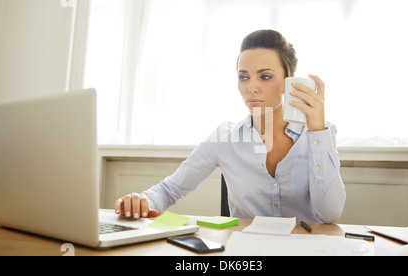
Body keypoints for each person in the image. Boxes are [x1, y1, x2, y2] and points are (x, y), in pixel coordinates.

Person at [115, 29, 346, 223]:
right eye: (244, 77)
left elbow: (330, 214)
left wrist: (317, 131)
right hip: (245, 255)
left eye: (265, 76)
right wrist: (142, 200)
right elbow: (169, 190)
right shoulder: (225, 137)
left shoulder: (319, 133)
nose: (251, 88)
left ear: (289, 81)